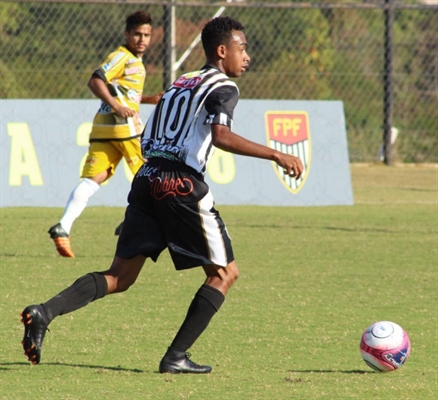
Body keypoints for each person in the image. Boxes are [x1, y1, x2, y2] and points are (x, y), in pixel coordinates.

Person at [21, 16, 303, 374]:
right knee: (224, 274)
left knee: (119, 277)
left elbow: (148, 137)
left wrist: (144, 200)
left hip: (147, 175)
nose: (246, 56)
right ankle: (175, 357)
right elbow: (221, 136)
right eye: (241, 48)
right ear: (222, 51)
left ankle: (44, 312)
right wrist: (277, 153)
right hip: (181, 184)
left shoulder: (178, 84)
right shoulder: (224, 88)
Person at [48, 10, 163, 258]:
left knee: (93, 180)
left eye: (146, 35)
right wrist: (115, 105)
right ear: (126, 34)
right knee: (150, 172)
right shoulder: (122, 56)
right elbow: (96, 80)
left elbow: (124, 93)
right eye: (137, 34)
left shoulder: (134, 61)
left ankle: (63, 226)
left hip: (104, 129)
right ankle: (132, 222)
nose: (142, 39)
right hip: (125, 128)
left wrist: (147, 99)